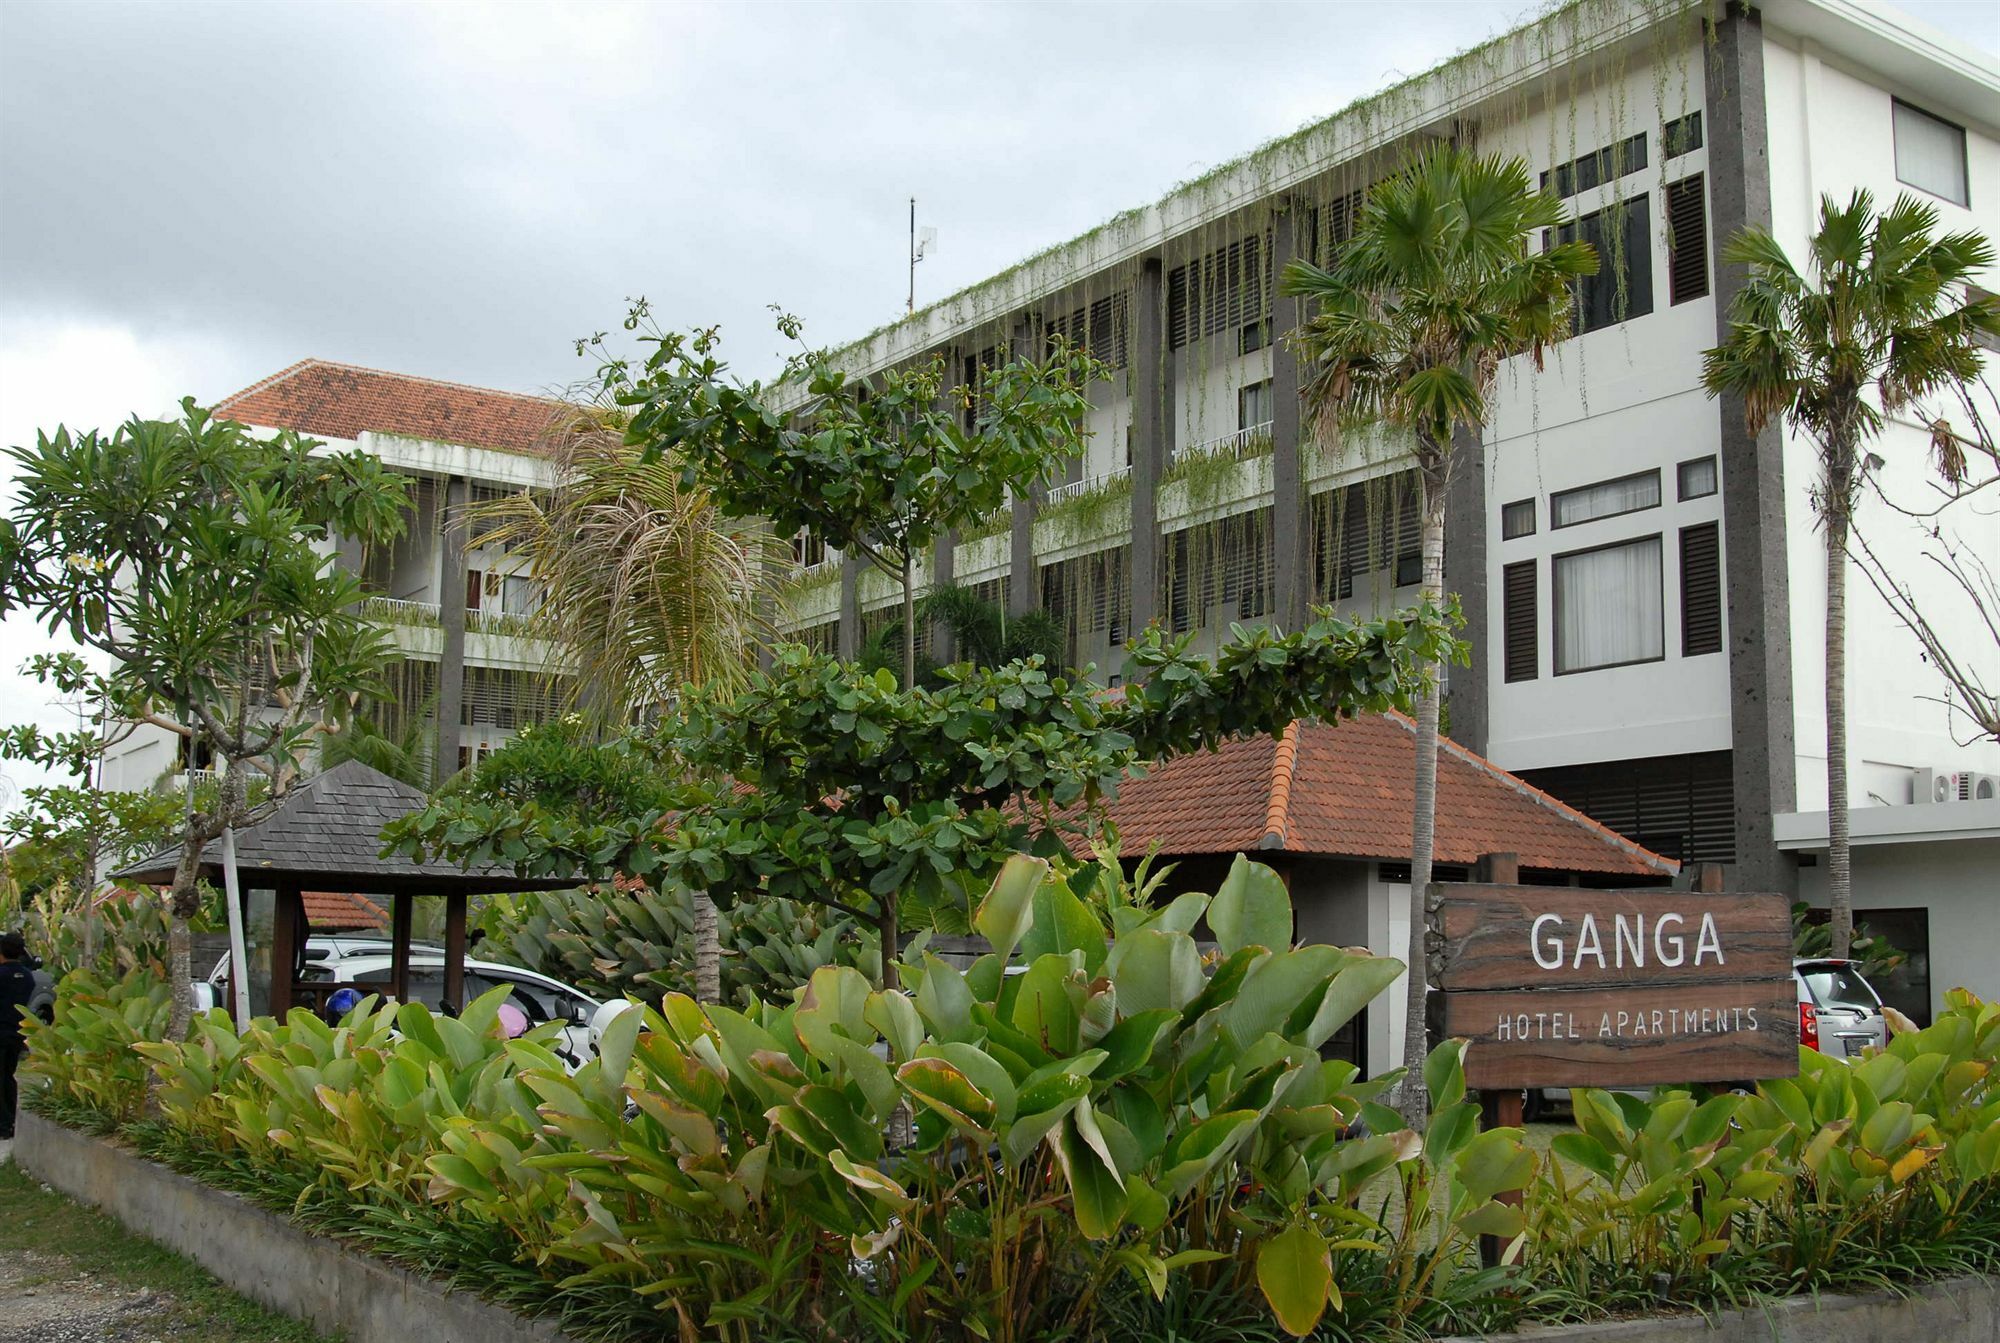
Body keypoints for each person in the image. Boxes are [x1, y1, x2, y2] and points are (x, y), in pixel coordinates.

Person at [0, 931, 38, 1143]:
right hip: (15, 1033)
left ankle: (4, 1124)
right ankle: (10, 1121)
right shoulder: (27, 976)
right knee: (8, 1076)